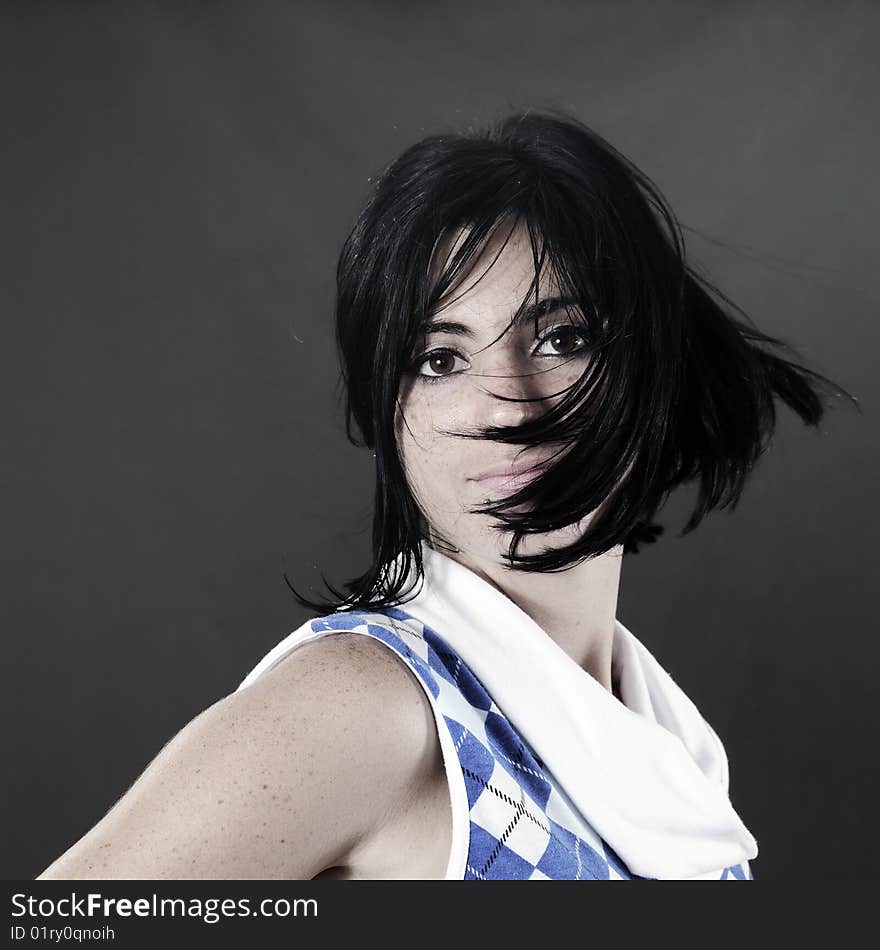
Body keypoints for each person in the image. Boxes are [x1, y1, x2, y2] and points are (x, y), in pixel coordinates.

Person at [37, 110, 856, 881]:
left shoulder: (665, 738)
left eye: (563, 338)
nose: (506, 403)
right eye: (439, 359)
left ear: (654, 370)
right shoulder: (367, 708)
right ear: (388, 415)